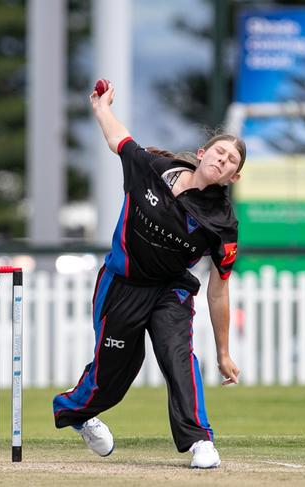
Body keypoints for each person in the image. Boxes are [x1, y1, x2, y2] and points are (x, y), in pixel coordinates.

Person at [53, 82, 245, 468]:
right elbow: (118, 139)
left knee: (177, 357)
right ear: (203, 152)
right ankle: (76, 411)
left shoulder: (221, 223)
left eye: (231, 163)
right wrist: (100, 106)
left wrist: (224, 352)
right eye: (220, 152)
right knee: (112, 378)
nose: (222, 161)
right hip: (120, 286)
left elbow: (219, 290)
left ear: (232, 178)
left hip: (170, 292)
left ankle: (199, 441)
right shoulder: (153, 169)